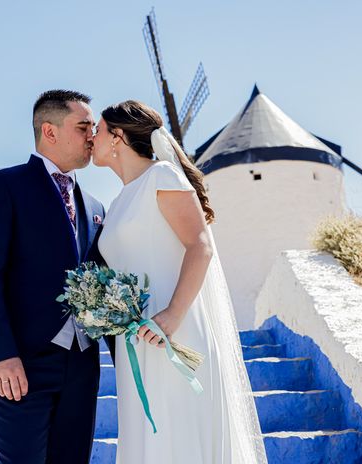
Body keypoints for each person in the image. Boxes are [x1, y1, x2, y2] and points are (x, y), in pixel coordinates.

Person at [91, 100, 268, 464]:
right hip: (136, 338)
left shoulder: (162, 177)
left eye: (99, 130)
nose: (92, 136)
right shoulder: (120, 199)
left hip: (175, 328)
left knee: (180, 434)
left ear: (118, 137)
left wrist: (172, 314)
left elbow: (199, 245)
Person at [0, 89, 108, 464]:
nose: (92, 136)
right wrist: (1, 356)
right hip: (20, 367)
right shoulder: (1, 185)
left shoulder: (95, 206)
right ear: (50, 131)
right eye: (83, 127)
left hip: (81, 368)